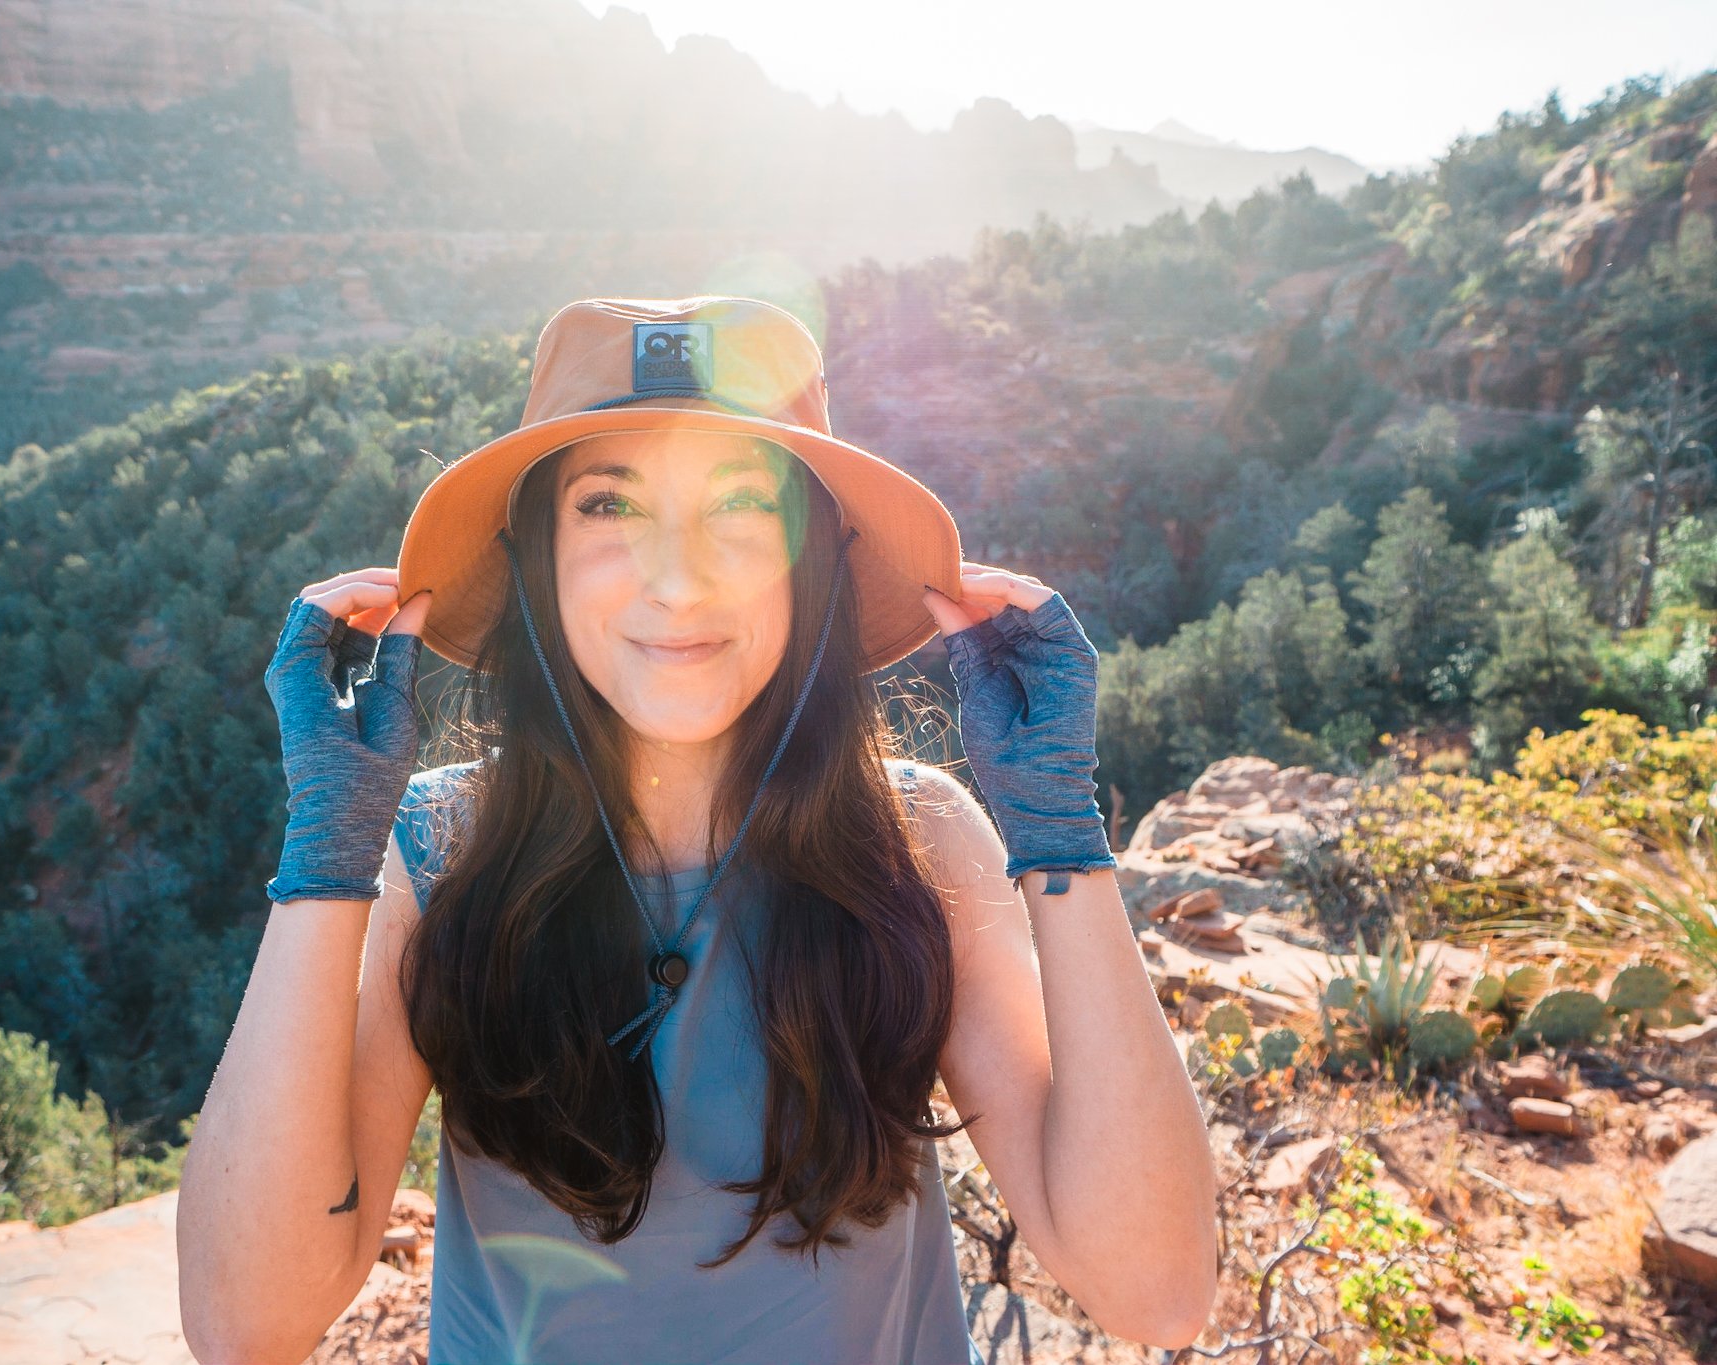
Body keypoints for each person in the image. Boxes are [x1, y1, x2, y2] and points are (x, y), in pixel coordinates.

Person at [176, 297, 1218, 1365]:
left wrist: (1058, 836)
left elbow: (1155, 1291)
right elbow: (245, 1325)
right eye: (609, 506)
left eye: (740, 505)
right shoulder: (438, 857)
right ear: (536, 556)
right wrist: (324, 860)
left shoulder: (917, 845)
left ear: (811, 559)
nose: (676, 580)